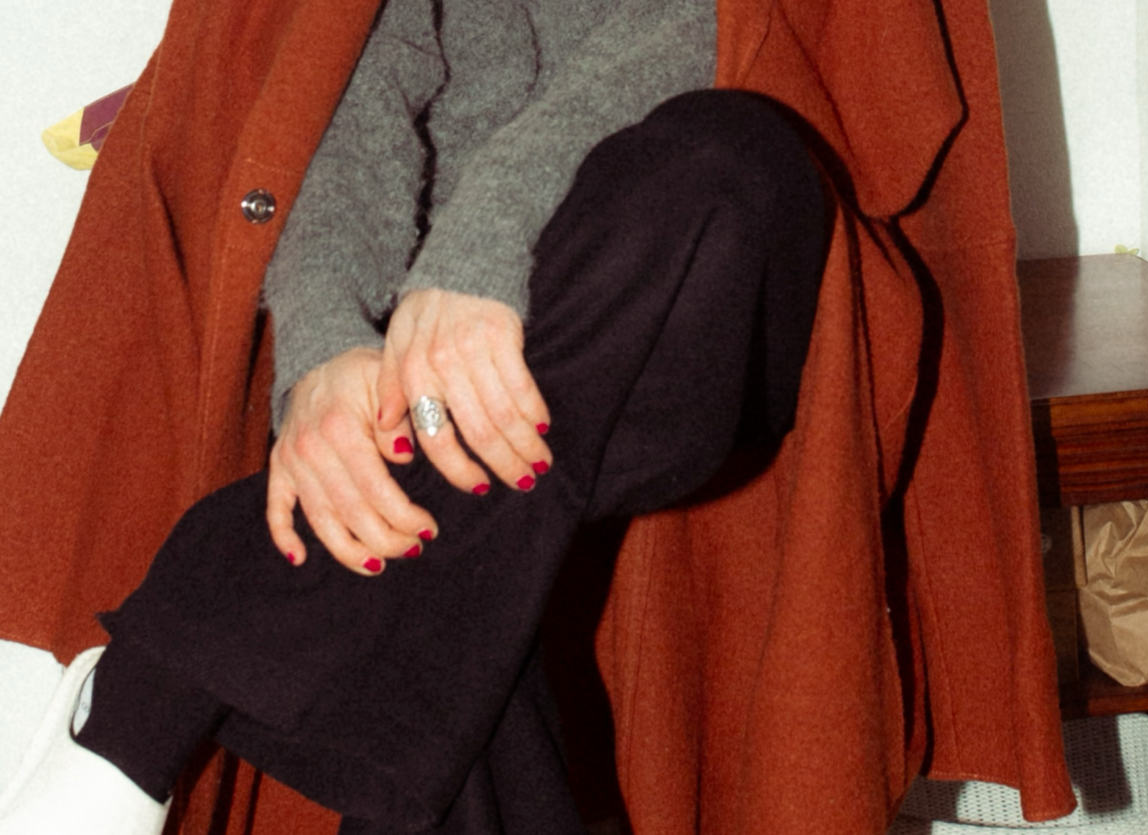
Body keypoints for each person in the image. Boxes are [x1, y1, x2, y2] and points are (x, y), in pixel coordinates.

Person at [0, 0, 1077, 832]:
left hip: (672, 296)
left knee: (724, 161)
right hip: (460, 373)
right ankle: (212, 631)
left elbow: (715, 28)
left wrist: (478, 261)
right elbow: (335, 75)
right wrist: (326, 350)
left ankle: (161, 669)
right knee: (451, 607)